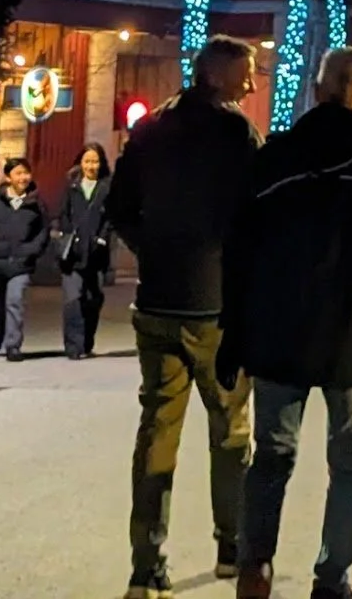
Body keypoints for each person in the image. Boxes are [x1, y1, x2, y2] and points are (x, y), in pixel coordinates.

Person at [223, 47, 352, 599]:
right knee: (348, 462)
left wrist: (234, 336)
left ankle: (255, 567)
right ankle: (332, 576)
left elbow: (237, 251)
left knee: (272, 455)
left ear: (317, 91)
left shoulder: (270, 162)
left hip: (278, 333)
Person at [107, 37, 263, 599]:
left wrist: (152, 250)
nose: (252, 84)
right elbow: (258, 211)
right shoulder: (236, 132)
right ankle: (231, 545)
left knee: (156, 432)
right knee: (231, 430)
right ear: (217, 76)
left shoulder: (150, 129)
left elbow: (119, 207)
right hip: (216, 306)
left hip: (157, 302)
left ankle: (146, 566)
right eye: (245, 74)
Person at [0, 158, 50, 361]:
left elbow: (43, 233)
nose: (23, 178)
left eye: (26, 173)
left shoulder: (36, 204)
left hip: (21, 264)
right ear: (8, 177)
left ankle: (13, 345)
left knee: (15, 301)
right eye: (18, 173)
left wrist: (29, 251)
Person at [58, 143, 113, 359]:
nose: (91, 166)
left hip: (97, 253)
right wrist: (66, 236)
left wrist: (102, 238)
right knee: (73, 299)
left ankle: (86, 341)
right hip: (73, 254)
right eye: (87, 161)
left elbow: (111, 218)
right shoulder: (71, 186)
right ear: (80, 163)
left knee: (93, 299)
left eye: (95, 161)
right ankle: (73, 346)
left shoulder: (107, 187)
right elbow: (63, 215)